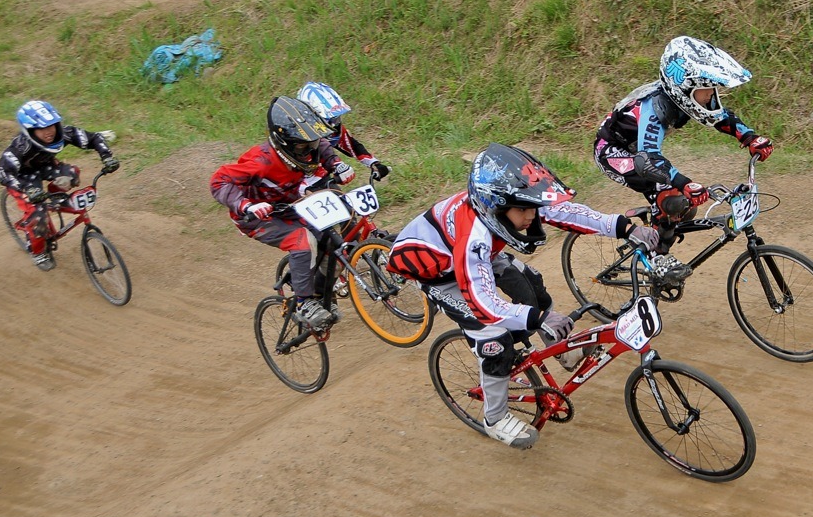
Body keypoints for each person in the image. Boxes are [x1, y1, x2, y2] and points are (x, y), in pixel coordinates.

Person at [386, 143, 662, 450]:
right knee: (495, 339)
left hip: (476, 254)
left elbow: (563, 211)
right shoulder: (474, 238)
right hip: (439, 271)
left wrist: (624, 228)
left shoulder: (505, 204)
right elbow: (483, 302)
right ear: (496, 208)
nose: (532, 216)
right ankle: (495, 418)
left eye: (531, 207)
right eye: (524, 210)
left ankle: (559, 349)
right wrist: (537, 319)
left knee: (534, 288)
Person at [594, 35, 773, 282]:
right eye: (705, 91)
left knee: (685, 207)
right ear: (684, 89)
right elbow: (647, 161)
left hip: (640, 151)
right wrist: (684, 183)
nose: (710, 96)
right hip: (613, 152)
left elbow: (718, 117)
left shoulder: (680, 99)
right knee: (671, 197)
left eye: (712, 90)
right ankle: (656, 257)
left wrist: (750, 137)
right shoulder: (653, 107)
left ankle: (658, 226)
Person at [210, 96, 356, 328]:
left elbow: (323, 144)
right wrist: (246, 205)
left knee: (335, 246)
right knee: (303, 241)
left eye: (311, 144)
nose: (309, 151)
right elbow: (219, 181)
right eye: (302, 146)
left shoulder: (309, 145)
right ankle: (303, 303)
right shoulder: (261, 161)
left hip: (290, 206)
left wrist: (336, 164)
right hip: (257, 218)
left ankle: (320, 295)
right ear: (285, 143)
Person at [0, 100, 120, 271]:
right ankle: (38, 252)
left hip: (46, 166)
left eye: (52, 125)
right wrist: (26, 191)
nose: (49, 132)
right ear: (30, 131)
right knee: (38, 215)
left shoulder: (64, 133)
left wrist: (107, 157)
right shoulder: (19, 148)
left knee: (72, 174)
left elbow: (94, 138)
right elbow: (3, 173)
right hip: (22, 178)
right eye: (42, 128)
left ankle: (55, 199)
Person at [296, 82, 391, 182]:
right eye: (328, 120)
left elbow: (352, 145)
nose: (334, 125)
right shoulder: (295, 139)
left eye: (336, 119)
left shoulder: (332, 130)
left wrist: (374, 164)